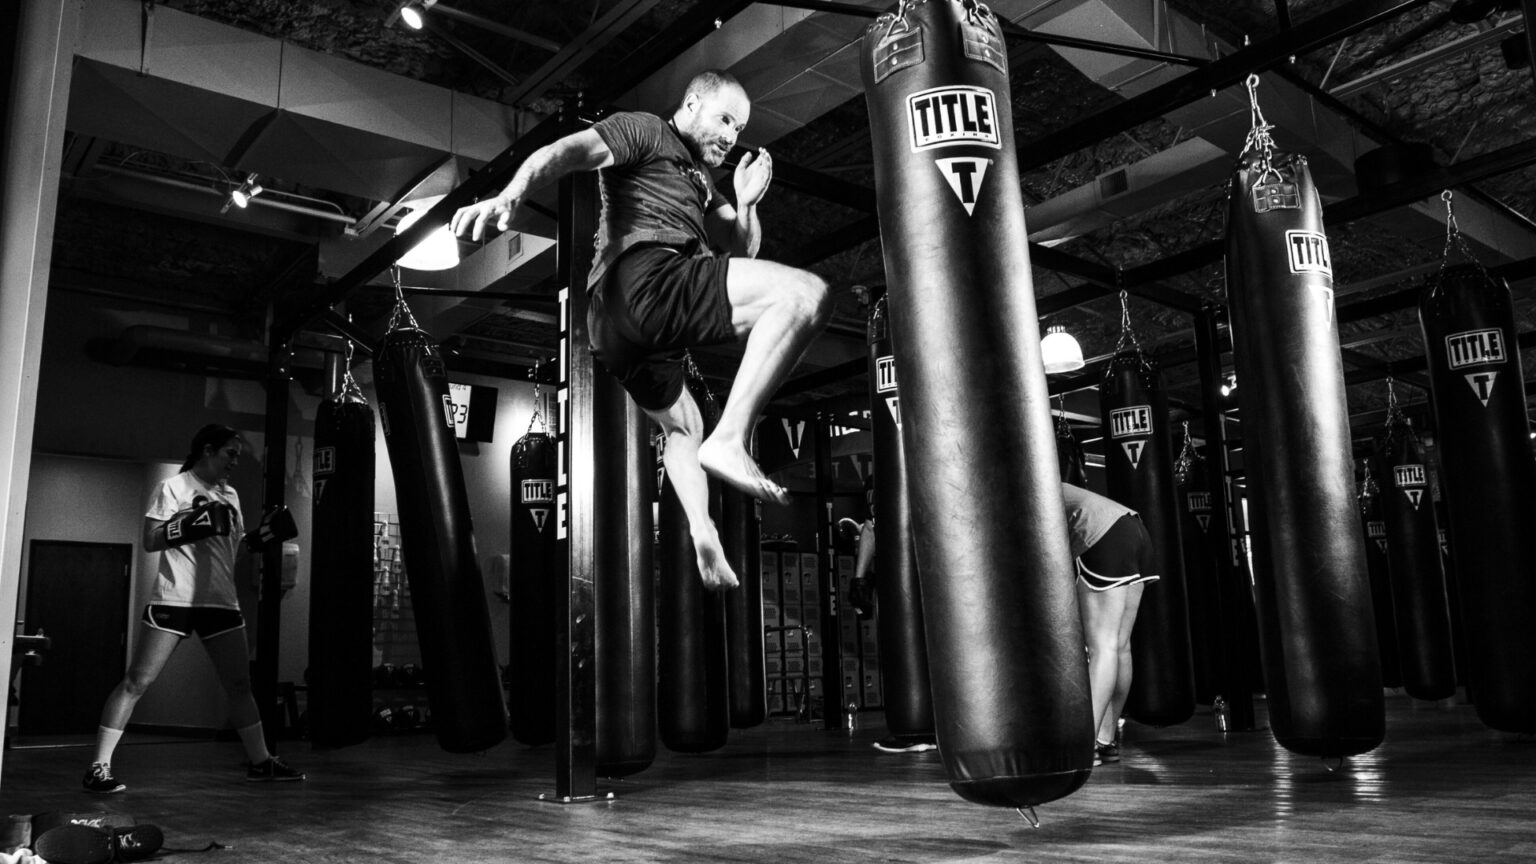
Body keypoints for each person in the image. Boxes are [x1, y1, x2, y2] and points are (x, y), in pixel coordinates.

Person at [451, 70, 831, 592]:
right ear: (692, 102)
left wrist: (746, 204)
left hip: (623, 332)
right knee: (805, 294)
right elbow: (568, 151)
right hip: (644, 279)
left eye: (738, 128)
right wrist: (509, 194)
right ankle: (733, 437)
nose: (730, 135)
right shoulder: (646, 131)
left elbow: (740, 251)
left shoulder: (703, 181)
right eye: (723, 118)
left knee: (683, 427)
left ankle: (701, 528)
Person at [83, 424, 304, 794]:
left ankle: (261, 761)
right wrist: (189, 526)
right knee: (138, 681)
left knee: (239, 685)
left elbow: (232, 549)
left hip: (221, 601)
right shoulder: (173, 487)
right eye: (229, 453)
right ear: (207, 450)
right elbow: (151, 540)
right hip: (175, 599)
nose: (235, 460)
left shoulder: (230, 494)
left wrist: (262, 537)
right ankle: (98, 768)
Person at [1063, 481, 1158, 766]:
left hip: (1103, 535)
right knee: (1119, 646)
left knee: (1101, 646)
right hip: (1135, 529)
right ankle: (1105, 740)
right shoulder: (1035, 471)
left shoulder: (1015, 482)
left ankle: (1083, 747)